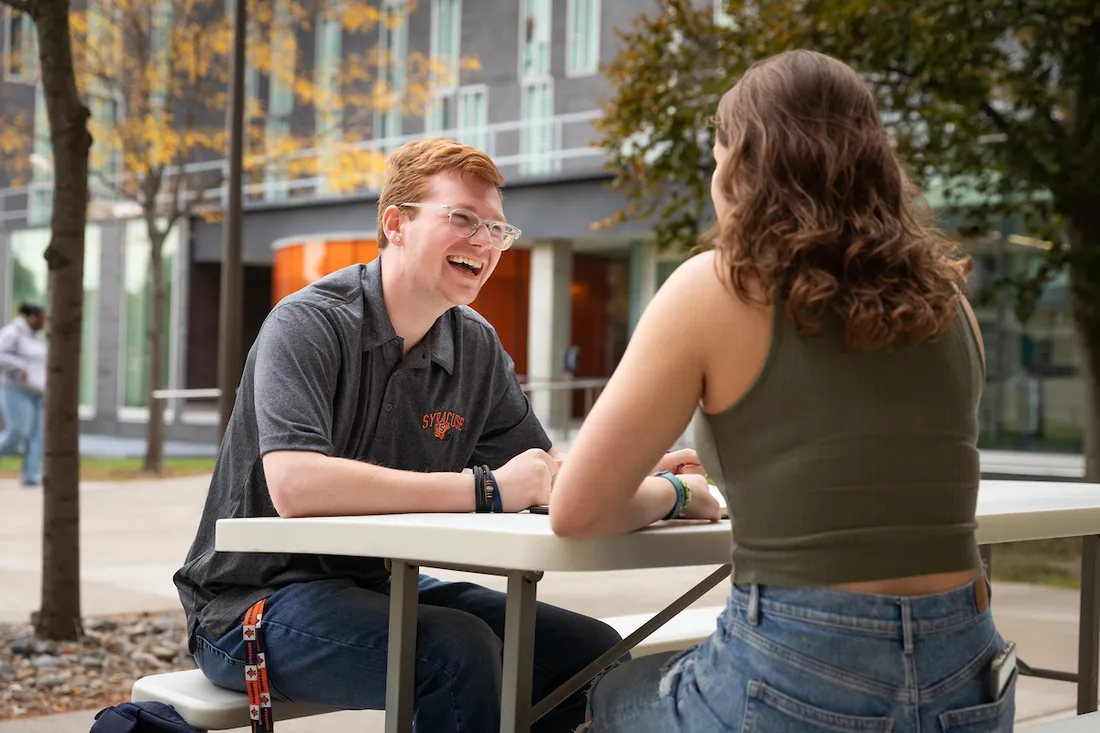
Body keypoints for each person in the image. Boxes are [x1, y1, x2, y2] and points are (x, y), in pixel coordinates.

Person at [550, 50, 1014, 732]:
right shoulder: (949, 300)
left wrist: (678, 493)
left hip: (800, 666)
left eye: (716, 154)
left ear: (741, 163)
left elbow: (576, 511)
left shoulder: (716, 285)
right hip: (968, 670)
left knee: (600, 695)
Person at [173, 138, 695, 732]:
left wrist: (655, 482)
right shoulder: (309, 322)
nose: (485, 242)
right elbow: (296, 483)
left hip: (380, 586)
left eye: (497, 229)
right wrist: (487, 491)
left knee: (589, 650)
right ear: (396, 224)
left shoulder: (474, 345)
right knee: (455, 652)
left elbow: (546, 474)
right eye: (463, 219)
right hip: (251, 602)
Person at [0, 302, 47, 487]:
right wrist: (19, 369)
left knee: (36, 436)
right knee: (17, 432)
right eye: (43, 319)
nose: (45, 323)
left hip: (37, 392)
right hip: (16, 389)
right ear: (32, 318)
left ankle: (31, 476)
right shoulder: (13, 333)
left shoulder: (39, 338)